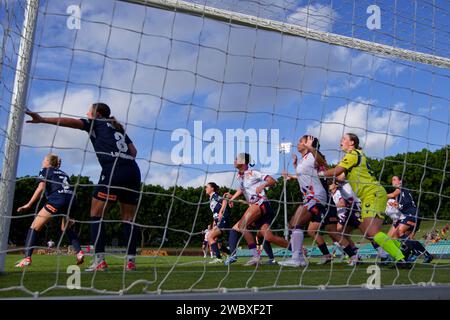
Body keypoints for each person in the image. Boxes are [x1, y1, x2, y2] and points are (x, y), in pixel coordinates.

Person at [26, 103, 141, 271]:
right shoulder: (118, 128)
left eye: (89, 111)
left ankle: (100, 261)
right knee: (128, 219)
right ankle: (130, 262)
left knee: (96, 214)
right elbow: (134, 151)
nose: (86, 113)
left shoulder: (95, 123)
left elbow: (70, 122)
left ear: (97, 114)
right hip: (132, 172)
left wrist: (42, 119)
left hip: (113, 171)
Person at [318, 133, 409, 268]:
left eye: (343, 139)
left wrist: (319, 173)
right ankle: (401, 248)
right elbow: (340, 177)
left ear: (352, 142)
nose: (340, 141)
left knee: (371, 232)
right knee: (368, 232)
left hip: (372, 194)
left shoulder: (353, 154)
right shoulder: (357, 156)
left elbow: (337, 171)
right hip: (371, 195)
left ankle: (400, 258)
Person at [279, 135, 358, 267]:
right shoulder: (304, 160)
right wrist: (293, 171)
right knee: (298, 226)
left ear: (308, 144)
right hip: (310, 197)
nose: (297, 144)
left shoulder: (314, 156)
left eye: (300, 141)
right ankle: (346, 255)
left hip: (317, 197)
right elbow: (305, 176)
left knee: (298, 224)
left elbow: (323, 163)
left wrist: (312, 149)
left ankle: (298, 258)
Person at [15, 154, 84, 267]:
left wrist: (28, 204)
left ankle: (27, 258)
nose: (42, 162)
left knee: (34, 227)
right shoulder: (64, 173)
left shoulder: (45, 170)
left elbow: (41, 187)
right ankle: (79, 252)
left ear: (48, 162)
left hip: (57, 200)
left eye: (43, 160)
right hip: (72, 200)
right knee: (65, 228)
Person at [224, 153, 289, 266]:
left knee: (242, 226)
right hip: (258, 206)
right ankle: (297, 249)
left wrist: (262, 186)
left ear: (243, 162)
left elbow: (273, 181)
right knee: (268, 236)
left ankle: (255, 257)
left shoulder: (253, 172)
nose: (234, 161)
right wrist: (232, 198)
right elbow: (241, 189)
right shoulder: (241, 177)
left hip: (261, 204)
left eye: (236, 159)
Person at [387, 176, 433, 263]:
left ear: (400, 182)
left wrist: (380, 196)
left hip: (411, 214)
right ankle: (427, 255)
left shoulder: (399, 189)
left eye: (394, 179)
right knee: (409, 239)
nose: (392, 181)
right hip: (413, 215)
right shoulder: (400, 196)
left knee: (399, 233)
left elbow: (392, 195)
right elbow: (401, 206)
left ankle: (414, 252)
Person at [205, 182, 231, 263]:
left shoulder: (215, 195)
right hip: (218, 221)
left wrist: (221, 211)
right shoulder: (211, 198)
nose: (205, 189)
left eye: (207, 187)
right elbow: (215, 212)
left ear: (212, 188)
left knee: (210, 237)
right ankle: (231, 254)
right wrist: (214, 222)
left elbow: (224, 201)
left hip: (223, 219)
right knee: (217, 243)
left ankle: (219, 258)